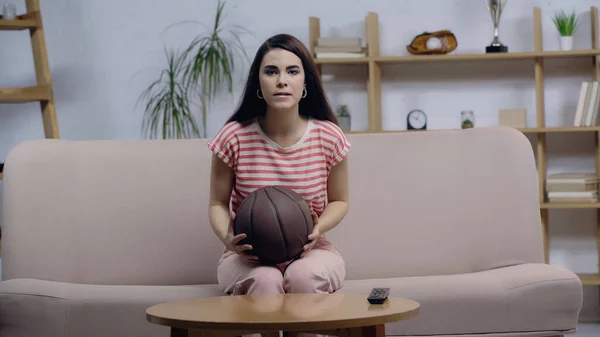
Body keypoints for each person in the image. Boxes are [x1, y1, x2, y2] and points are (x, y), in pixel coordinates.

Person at [207, 33, 351, 297]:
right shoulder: (233, 136)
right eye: (271, 71)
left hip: (313, 250)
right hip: (248, 256)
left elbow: (340, 201)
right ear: (258, 82)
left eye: (292, 71)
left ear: (305, 80)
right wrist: (229, 240)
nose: (282, 81)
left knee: (303, 276)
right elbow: (217, 203)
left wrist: (317, 228)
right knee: (265, 280)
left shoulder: (329, 137)